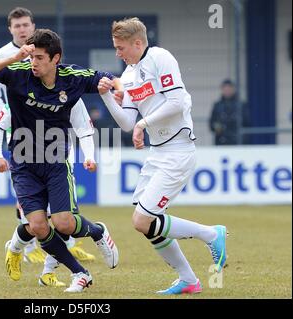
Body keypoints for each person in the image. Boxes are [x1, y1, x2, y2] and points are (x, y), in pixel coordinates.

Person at [0, 28, 119, 293]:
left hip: (55, 161)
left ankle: (97, 232)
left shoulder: (72, 79)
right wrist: (16, 56)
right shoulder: (19, 74)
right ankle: (80, 273)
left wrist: (120, 89)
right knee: (38, 226)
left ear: (56, 58)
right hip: (22, 163)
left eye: (40, 57)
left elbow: (107, 78)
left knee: (64, 222)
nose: (34, 63)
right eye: (32, 57)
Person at [97, 17, 227, 295]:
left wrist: (145, 124)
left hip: (178, 151)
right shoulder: (130, 75)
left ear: (138, 42)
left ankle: (211, 234)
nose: (118, 53)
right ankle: (189, 280)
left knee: (143, 220)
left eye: (121, 48)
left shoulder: (159, 57)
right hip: (158, 153)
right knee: (146, 224)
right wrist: (107, 97)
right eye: (115, 48)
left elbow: (177, 102)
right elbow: (127, 122)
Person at [209, 79, 250, 145]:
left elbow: (248, 122)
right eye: (225, 89)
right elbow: (212, 123)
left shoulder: (241, 105)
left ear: (233, 89)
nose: (227, 91)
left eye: (229, 89)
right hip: (221, 141)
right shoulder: (217, 106)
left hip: (238, 141)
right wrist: (217, 127)